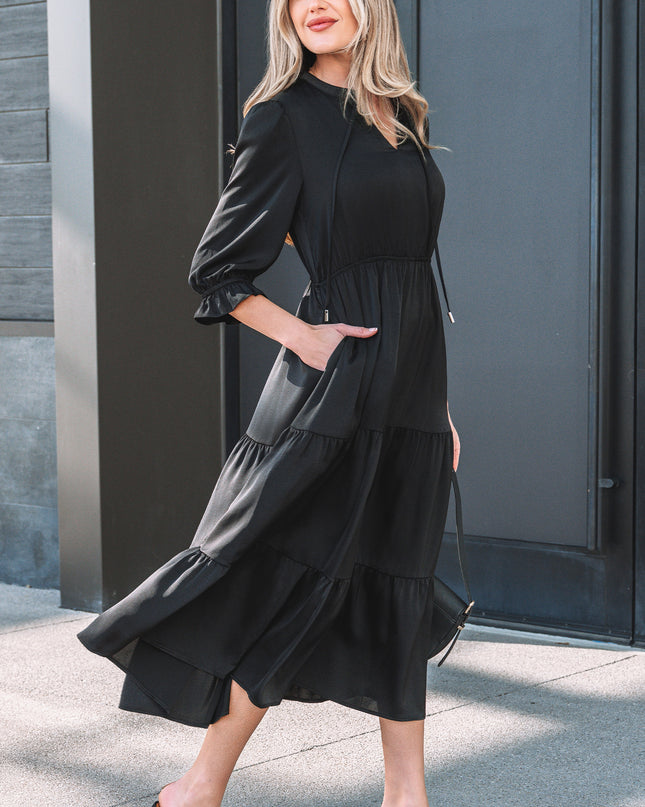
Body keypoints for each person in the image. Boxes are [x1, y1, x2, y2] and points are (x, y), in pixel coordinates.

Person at [76, 1, 462, 805]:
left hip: (412, 395)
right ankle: (199, 782)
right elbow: (216, 271)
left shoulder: (403, 114)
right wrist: (306, 337)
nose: (311, 4)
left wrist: (441, 408)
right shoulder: (282, 118)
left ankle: (406, 793)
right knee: (302, 582)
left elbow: (416, 278)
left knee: (396, 578)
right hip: (337, 390)